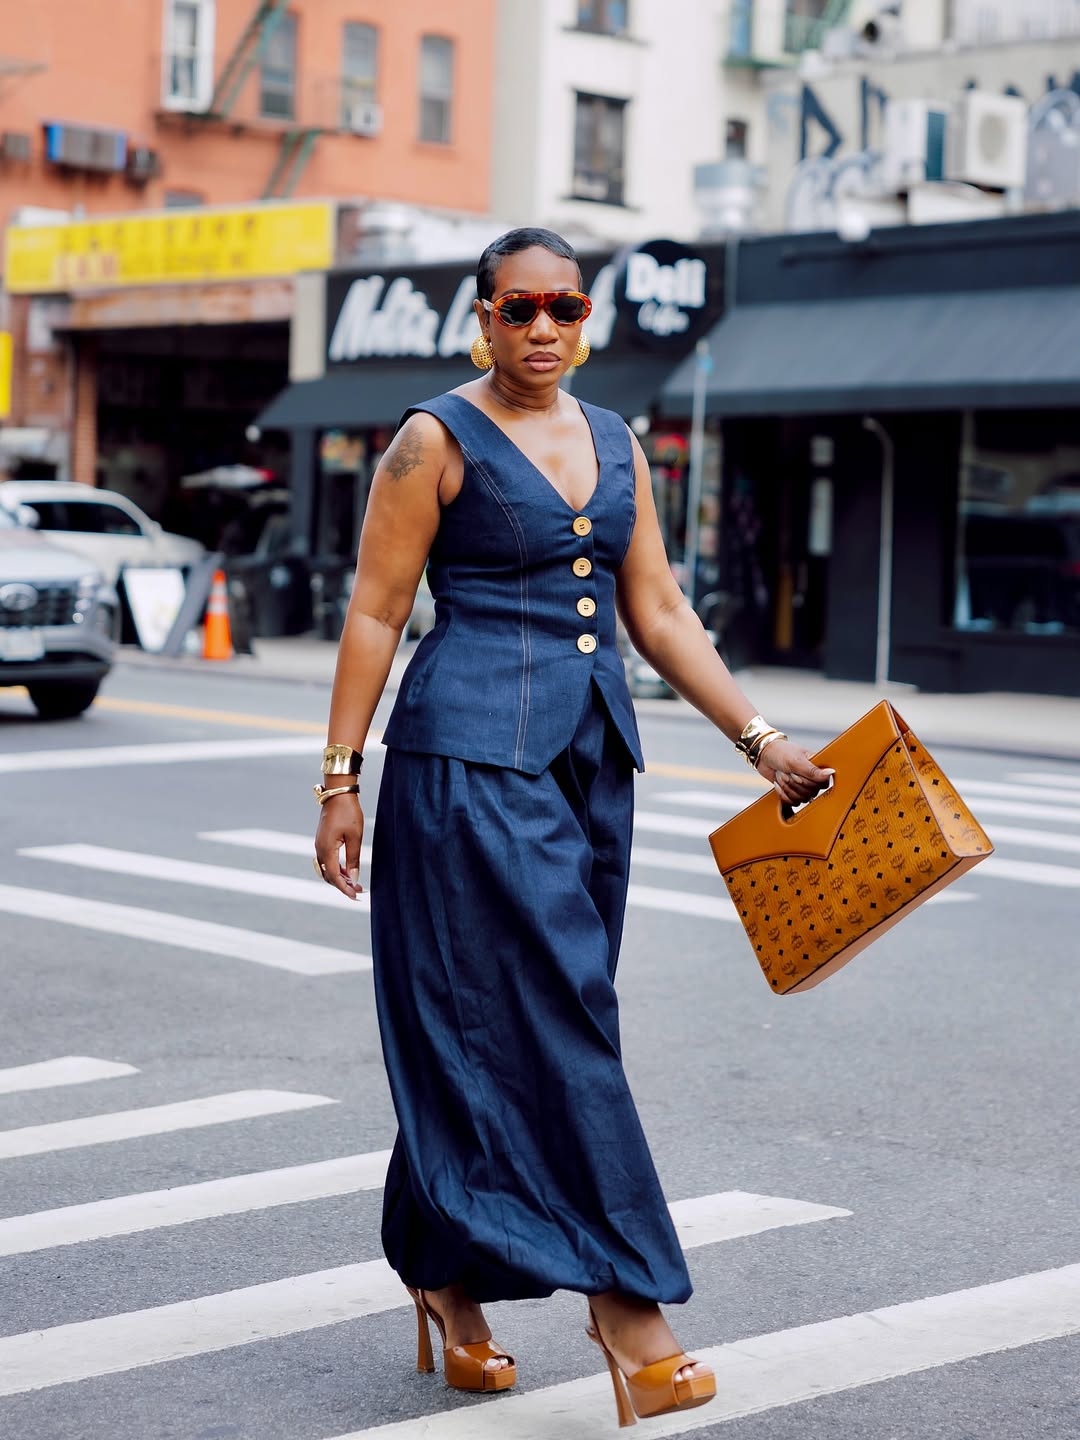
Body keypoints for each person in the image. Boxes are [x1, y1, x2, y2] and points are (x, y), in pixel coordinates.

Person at [313, 227, 832, 1428]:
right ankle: (628, 1304)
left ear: (585, 318)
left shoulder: (615, 439)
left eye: (565, 307)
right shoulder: (431, 441)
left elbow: (660, 609)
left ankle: (442, 1273)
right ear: (482, 318)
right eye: (519, 308)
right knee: (559, 1025)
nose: (543, 327)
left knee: (509, 1019)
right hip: (466, 765)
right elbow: (377, 612)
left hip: (591, 766)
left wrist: (760, 741)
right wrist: (339, 779)